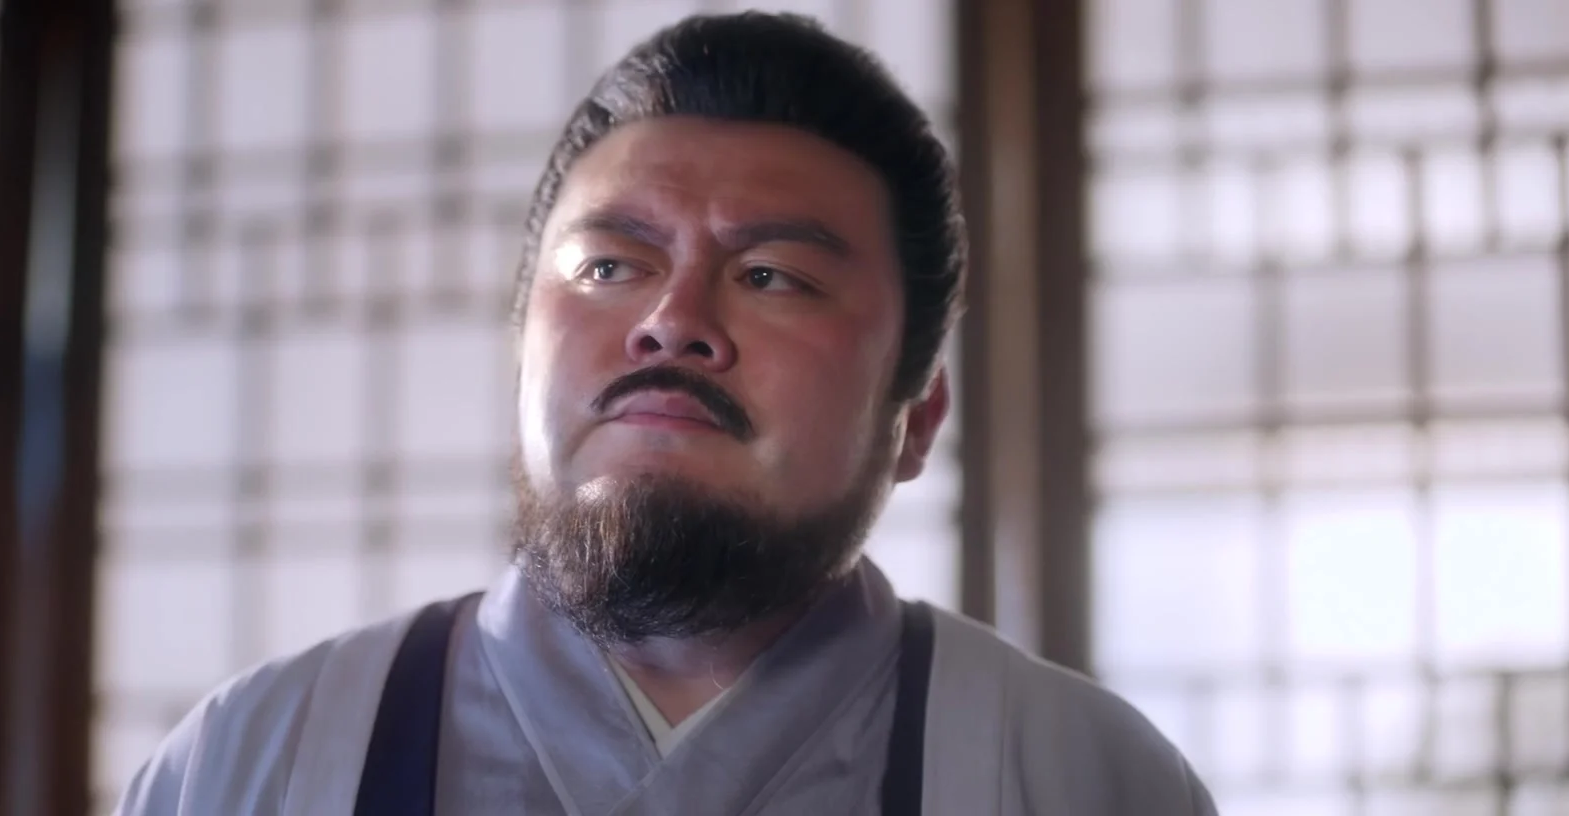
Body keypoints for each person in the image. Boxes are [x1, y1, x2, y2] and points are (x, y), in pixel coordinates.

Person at [115, 12, 1216, 816]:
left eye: (774, 276)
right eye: (609, 266)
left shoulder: (1080, 777)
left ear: (916, 419)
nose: (672, 323)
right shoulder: (253, 763)